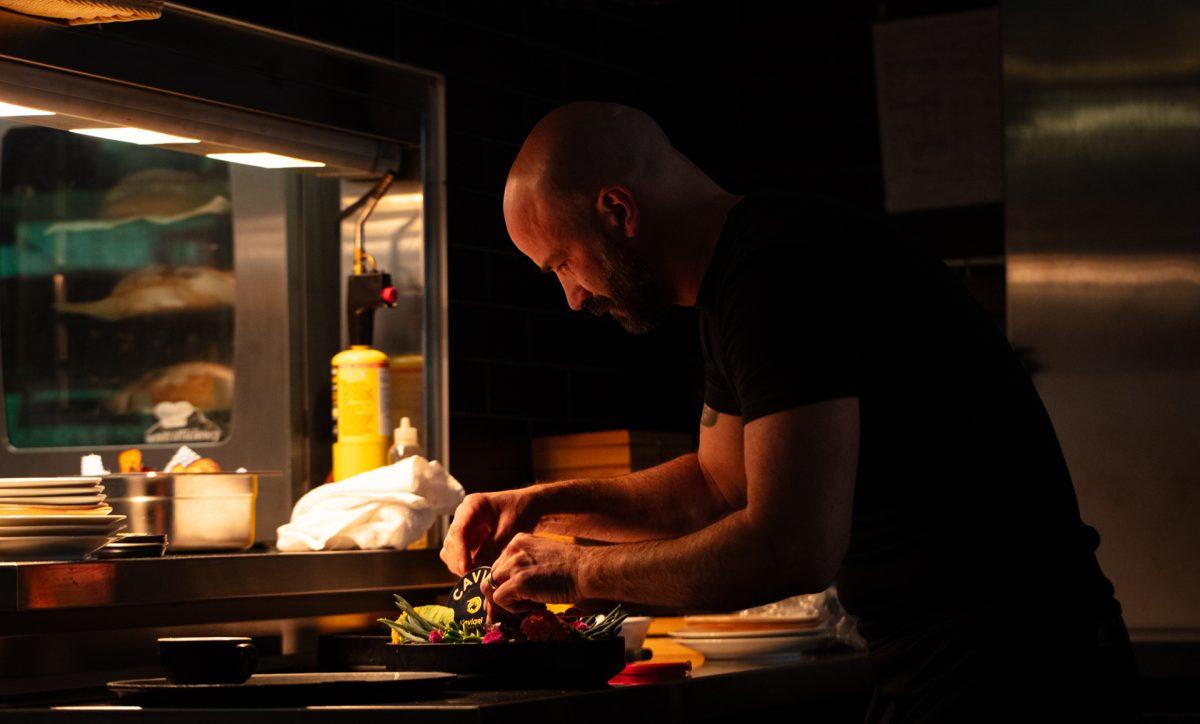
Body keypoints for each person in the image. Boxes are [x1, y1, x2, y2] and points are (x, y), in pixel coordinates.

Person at [441, 102, 1138, 722]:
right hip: (954, 661)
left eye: (562, 263)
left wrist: (577, 573)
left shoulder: (778, 274)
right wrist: (538, 507)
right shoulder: (740, 276)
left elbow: (792, 546)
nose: (572, 297)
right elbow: (717, 488)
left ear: (618, 212)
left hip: (1019, 668)